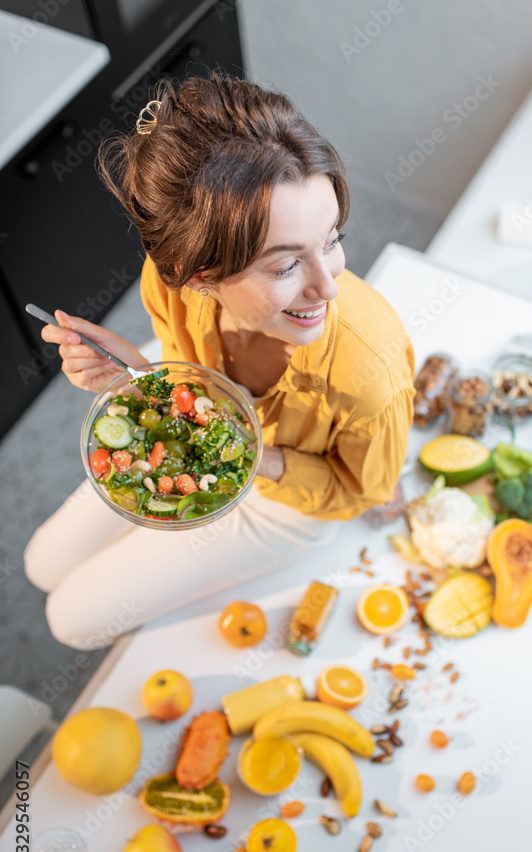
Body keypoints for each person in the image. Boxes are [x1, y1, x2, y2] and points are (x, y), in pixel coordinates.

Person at [24, 73, 415, 650]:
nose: (328, 288)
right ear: (202, 277)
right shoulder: (171, 285)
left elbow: (361, 492)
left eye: (331, 239)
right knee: (40, 562)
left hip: (288, 497)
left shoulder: (368, 373)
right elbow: (193, 392)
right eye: (285, 266)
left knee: (71, 622)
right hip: (204, 432)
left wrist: (251, 457)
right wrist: (144, 379)